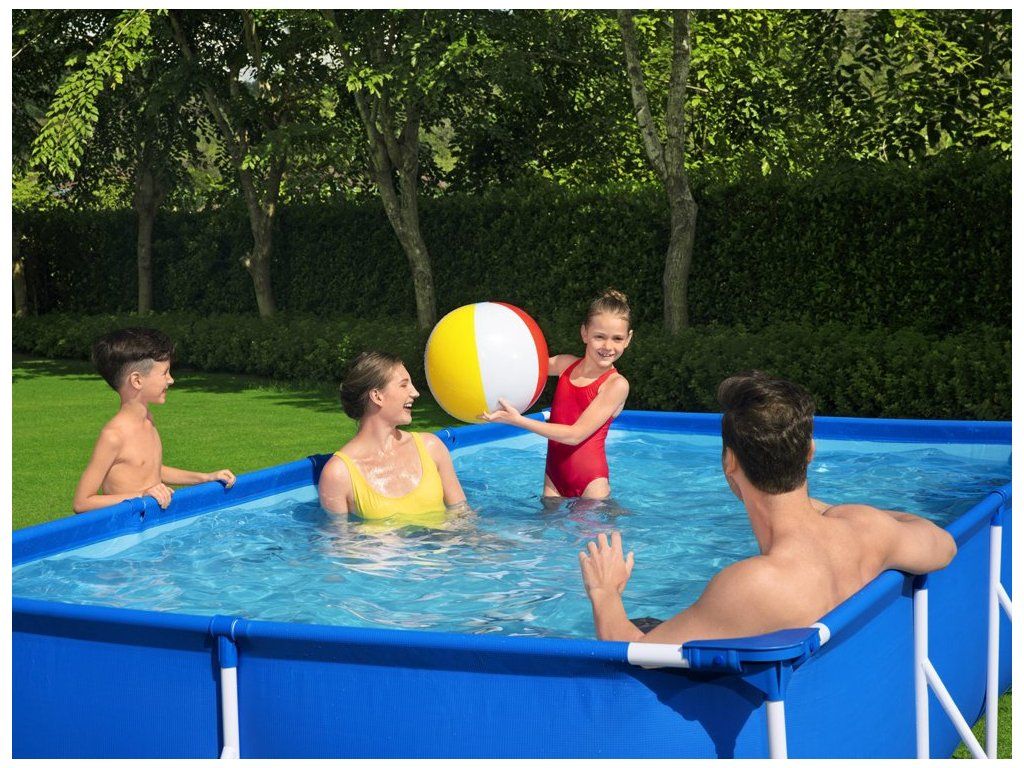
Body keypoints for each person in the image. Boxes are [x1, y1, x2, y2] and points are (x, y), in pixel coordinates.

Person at [578, 371, 958, 644]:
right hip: (846, 708)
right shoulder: (865, 530)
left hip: (780, 726)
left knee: (643, 625)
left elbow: (635, 654)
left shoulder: (752, 586)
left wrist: (604, 591)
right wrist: (826, 509)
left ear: (730, 462)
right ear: (809, 452)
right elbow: (944, 546)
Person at [481, 289, 633, 499]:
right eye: (599, 337)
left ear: (628, 339)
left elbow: (575, 435)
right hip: (553, 478)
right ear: (584, 333)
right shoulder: (564, 364)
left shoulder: (616, 385)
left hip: (591, 486)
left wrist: (518, 420)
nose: (608, 346)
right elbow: (523, 366)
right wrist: (488, 356)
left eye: (617, 338)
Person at [73, 327, 236, 514]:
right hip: (129, 528)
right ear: (137, 381)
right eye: (164, 373)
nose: (171, 380)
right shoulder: (114, 436)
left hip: (153, 523)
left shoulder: (147, 420)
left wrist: (205, 478)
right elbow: (82, 502)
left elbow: (152, 470)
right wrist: (142, 495)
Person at [318, 351, 467, 521]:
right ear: (377, 396)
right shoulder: (338, 474)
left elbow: (462, 516)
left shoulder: (431, 447)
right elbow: (338, 536)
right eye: (404, 385)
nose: (415, 393)